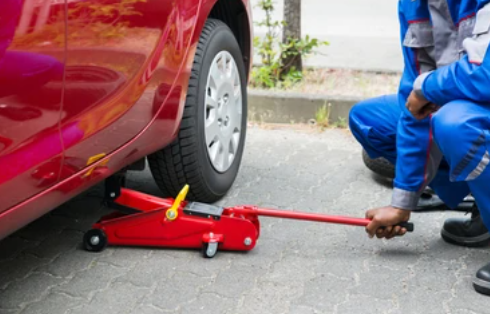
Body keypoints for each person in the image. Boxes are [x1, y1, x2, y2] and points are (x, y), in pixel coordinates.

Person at [349, 0, 490, 296]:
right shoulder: (414, 4)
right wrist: (403, 202)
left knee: (456, 125)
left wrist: (429, 88)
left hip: (473, 106)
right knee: (370, 121)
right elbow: (414, 98)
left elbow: (486, 75)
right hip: (467, 103)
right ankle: (482, 206)